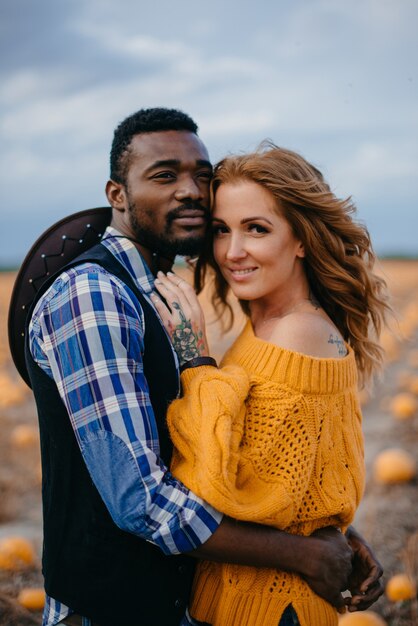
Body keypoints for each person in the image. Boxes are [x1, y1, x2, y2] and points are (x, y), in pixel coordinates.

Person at [22, 108, 383, 626]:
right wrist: (306, 551)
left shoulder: (165, 295)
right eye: (165, 175)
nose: (191, 190)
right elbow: (143, 501)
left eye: (201, 176)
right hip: (115, 606)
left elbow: (263, 471)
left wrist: (328, 533)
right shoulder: (95, 295)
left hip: (201, 601)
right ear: (117, 195)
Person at [152, 142, 390, 626]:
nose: (232, 252)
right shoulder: (267, 321)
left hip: (272, 608)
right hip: (247, 599)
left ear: (301, 239)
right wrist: (342, 532)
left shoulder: (296, 333)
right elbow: (296, 472)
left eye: (256, 229)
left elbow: (221, 488)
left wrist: (194, 359)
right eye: (221, 231)